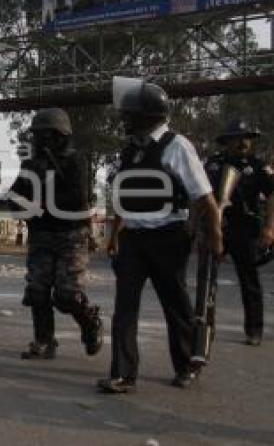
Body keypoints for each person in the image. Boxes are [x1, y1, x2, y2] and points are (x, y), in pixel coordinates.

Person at [98, 78, 223, 393]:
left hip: (168, 236)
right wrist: (114, 236)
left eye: (129, 115)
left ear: (147, 116)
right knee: (124, 308)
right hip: (134, 240)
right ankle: (123, 374)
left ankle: (186, 365)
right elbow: (122, 198)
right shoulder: (130, 151)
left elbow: (205, 197)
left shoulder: (177, 145)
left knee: (175, 304)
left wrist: (216, 236)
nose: (124, 120)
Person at [8, 108, 103, 360]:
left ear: (59, 135)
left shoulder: (74, 161)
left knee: (67, 295)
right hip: (41, 234)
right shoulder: (30, 163)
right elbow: (15, 192)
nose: (38, 140)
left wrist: (39, 203)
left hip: (71, 234)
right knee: (37, 290)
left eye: (43, 135)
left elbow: (76, 197)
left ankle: (90, 321)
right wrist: (18, 205)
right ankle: (43, 341)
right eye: (36, 135)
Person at [205, 120, 274, 346]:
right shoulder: (214, 164)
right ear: (227, 141)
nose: (243, 141)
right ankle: (204, 328)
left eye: (247, 137)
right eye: (238, 137)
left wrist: (270, 228)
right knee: (206, 280)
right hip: (217, 228)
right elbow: (200, 194)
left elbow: (272, 196)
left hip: (246, 231)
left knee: (249, 282)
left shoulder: (257, 166)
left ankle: (253, 330)